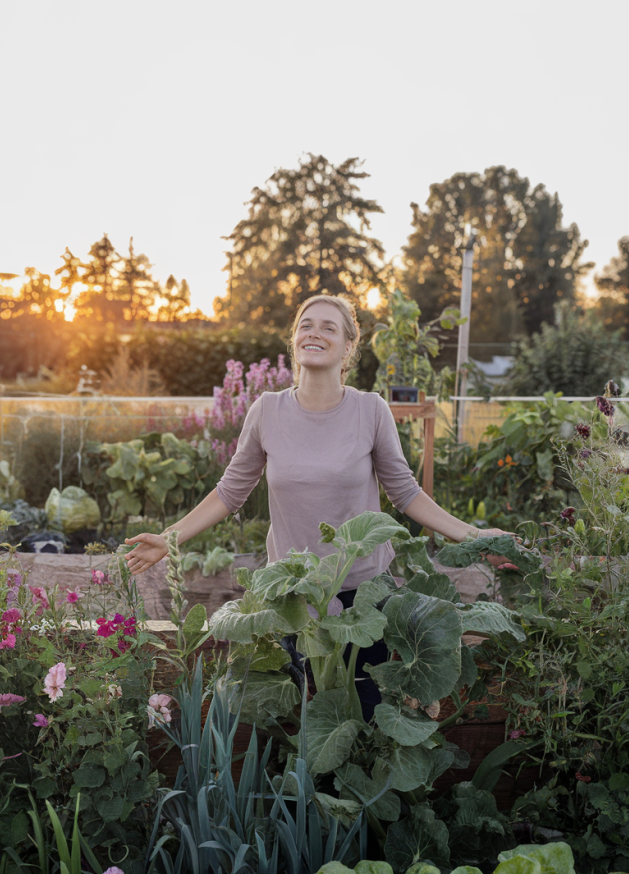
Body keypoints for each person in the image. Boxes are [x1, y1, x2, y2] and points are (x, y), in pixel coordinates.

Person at [124, 295, 513, 715]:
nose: (315, 332)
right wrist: (169, 539)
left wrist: (474, 537)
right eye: (306, 325)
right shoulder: (267, 410)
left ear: (348, 346)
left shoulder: (370, 409)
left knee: (363, 717)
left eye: (329, 327)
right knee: (305, 724)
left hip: (361, 599)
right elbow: (229, 492)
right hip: (294, 597)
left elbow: (406, 493)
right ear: (294, 341)